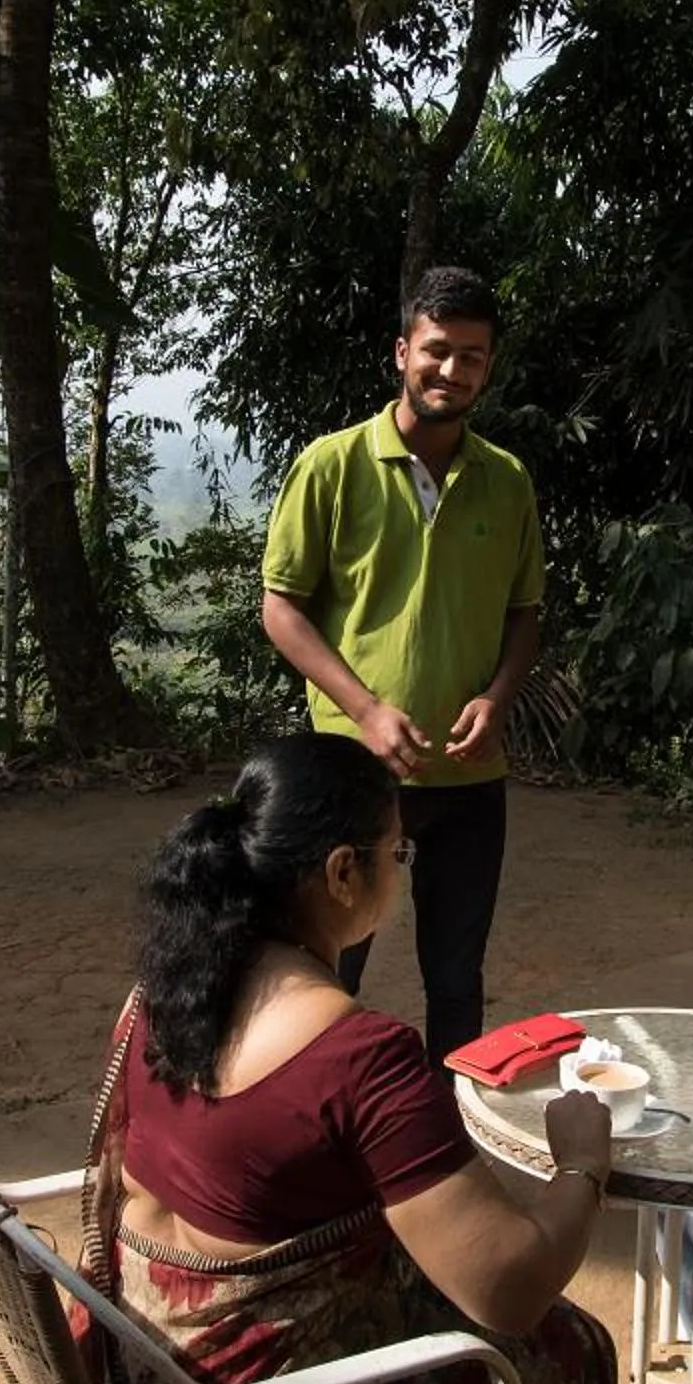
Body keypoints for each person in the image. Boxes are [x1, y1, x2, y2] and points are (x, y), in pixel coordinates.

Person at [96, 732, 617, 1384]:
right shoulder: (358, 1056)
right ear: (342, 872)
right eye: (396, 853)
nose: (400, 871)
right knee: (566, 1354)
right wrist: (580, 1167)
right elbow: (503, 1287)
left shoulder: (162, 999)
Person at [260, 265, 542, 1065]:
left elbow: (526, 615)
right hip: (349, 775)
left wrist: (498, 695)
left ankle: (448, 1141)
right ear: (401, 352)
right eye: (437, 350)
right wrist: (366, 710)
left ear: (489, 368)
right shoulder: (332, 465)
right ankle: (315, 1124)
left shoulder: (507, 480)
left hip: (467, 779)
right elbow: (281, 607)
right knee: (324, 972)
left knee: (456, 977)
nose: (452, 371)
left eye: (472, 357)